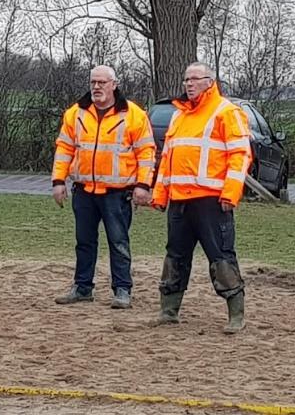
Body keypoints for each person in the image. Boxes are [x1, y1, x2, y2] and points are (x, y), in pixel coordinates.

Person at [151, 62, 252, 334]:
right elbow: (167, 159)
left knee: (221, 257)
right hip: (179, 201)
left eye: (195, 79)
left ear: (210, 81)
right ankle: (168, 310)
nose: (189, 84)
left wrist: (230, 194)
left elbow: (240, 155)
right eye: (186, 79)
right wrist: (160, 195)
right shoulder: (178, 115)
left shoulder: (227, 112)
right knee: (175, 256)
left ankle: (236, 314)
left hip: (212, 201)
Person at [52, 65, 155, 308]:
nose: (97, 87)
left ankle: (122, 290)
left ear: (114, 84)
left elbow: (147, 152)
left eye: (102, 82)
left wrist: (143, 185)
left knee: (118, 242)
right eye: (93, 82)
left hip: (117, 193)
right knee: (84, 241)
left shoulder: (134, 114)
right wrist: (58, 180)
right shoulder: (75, 113)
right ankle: (82, 287)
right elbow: (64, 148)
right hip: (83, 190)